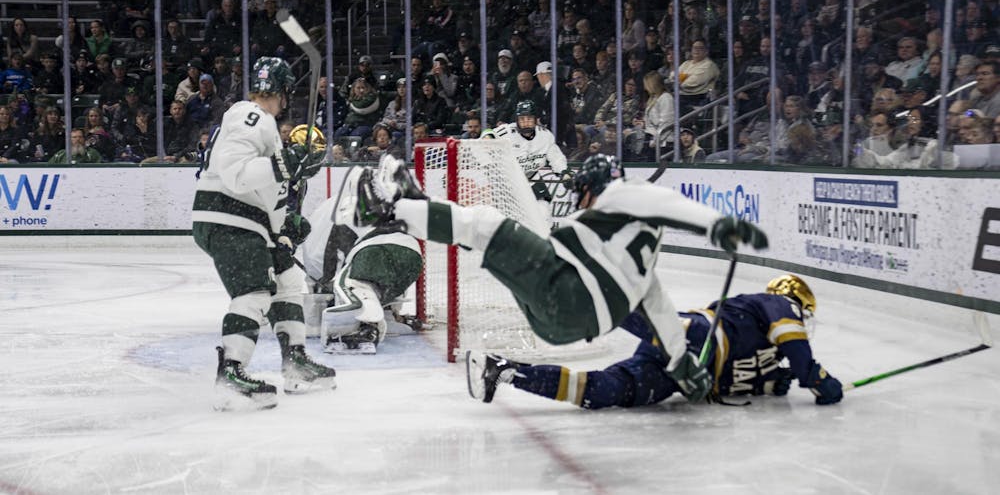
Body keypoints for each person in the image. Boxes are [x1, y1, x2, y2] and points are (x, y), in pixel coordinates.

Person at [356, 154, 770, 403]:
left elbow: (662, 201)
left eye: (583, 192)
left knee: (486, 223)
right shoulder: (643, 270)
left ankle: (391, 209)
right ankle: (417, 208)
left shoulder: (621, 194)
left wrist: (718, 224)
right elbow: (663, 316)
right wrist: (683, 368)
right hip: (562, 326)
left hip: (565, 293)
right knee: (489, 240)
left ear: (594, 187)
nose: (581, 201)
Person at [192, 56, 335, 411]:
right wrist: (285, 164)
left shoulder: (265, 127)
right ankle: (231, 375)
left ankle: (295, 363)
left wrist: (285, 231)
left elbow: (267, 193)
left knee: (287, 279)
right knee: (254, 291)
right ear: (284, 92)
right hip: (229, 217)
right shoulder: (250, 114)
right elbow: (236, 173)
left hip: (250, 222)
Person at [468, 275, 843, 408]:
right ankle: (582, 295)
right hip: (698, 336)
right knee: (646, 323)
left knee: (605, 392)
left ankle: (507, 372)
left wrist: (768, 382)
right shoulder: (777, 304)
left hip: (681, 375)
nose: (801, 321)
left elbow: (728, 382)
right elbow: (795, 345)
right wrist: (814, 375)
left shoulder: (770, 361)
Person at [301, 167, 424, 354]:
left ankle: (366, 323)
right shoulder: (384, 202)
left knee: (347, 284)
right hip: (413, 255)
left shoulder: (343, 207)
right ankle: (386, 313)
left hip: (375, 250)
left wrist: (326, 280)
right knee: (378, 284)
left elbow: (330, 251)